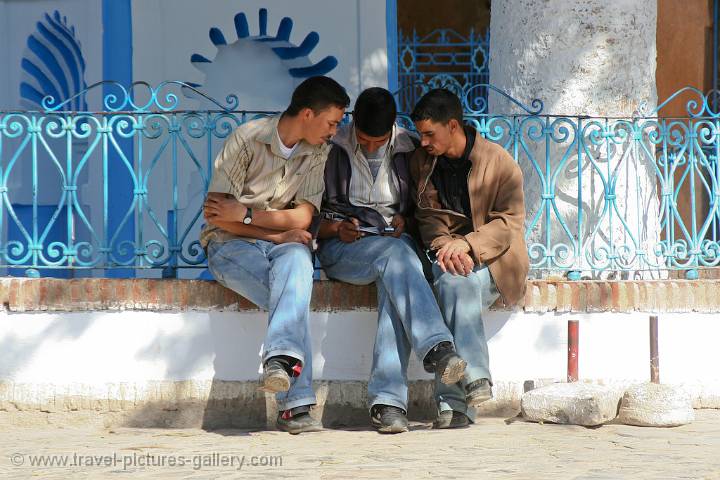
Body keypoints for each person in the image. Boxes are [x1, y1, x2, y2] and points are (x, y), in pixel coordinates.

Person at [200, 76, 350, 434]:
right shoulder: (247, 140)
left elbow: (303, 217)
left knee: (298, 261)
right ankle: (295, 407)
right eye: (331, 122)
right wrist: (278, 230)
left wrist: (252, 215)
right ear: (308, 113)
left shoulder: (318, 152)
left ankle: (279, 363)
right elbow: (221, 218)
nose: (334, 131)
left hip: (280, 245)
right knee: (292, 299)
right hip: (229, 246)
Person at [317, 87, 467, 434]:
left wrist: (407, 221)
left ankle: (388, 405)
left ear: (393, 130)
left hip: (394, 250)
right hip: (344, 250)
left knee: (393, 277)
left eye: (378, 141)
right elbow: (306, 210)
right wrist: (335, 228)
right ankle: (438, 349)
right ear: (352, 125)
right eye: (364, 140)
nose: (370, 147)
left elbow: (427, 209)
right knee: (397, 259)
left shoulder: (411, 148)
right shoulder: (330, 146)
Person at [409, 88, 529, 428]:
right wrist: (447, 246)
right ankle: (475, 382)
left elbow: (509, 223)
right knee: (452, 283)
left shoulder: (499, 162)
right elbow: (427, 214)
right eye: (420, 134)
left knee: (453, 287)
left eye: (429, 133)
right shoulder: (424, 162)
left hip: (495, 261)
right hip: (448, 258)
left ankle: (452, 403)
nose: (423, 142)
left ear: (452, 126)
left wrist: (469, 245)